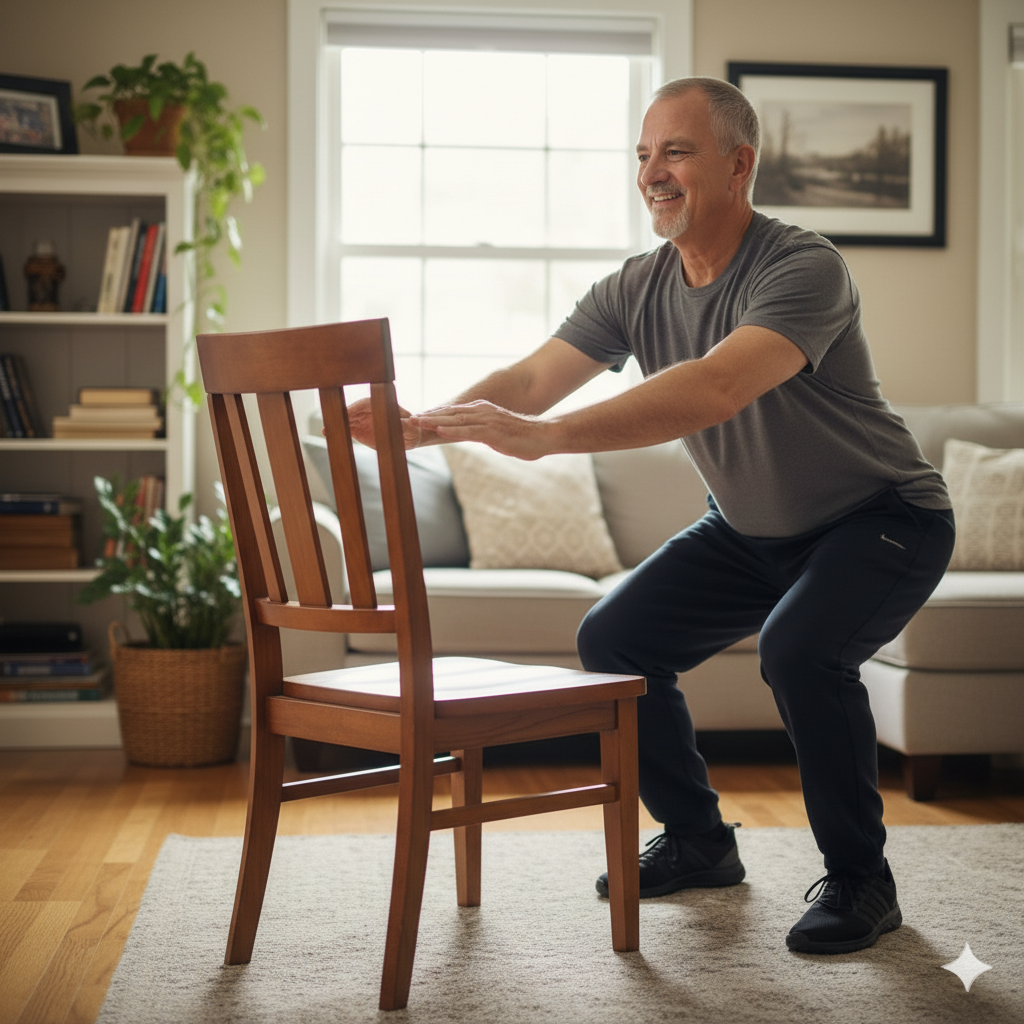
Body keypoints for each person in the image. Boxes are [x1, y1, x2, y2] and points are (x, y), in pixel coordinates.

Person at [350, 76, 955, 954]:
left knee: (800, 649)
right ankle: (703, 842)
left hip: (882, 518)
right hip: (751, 532)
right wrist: (429, 424)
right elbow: (528, 382)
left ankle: (863, 879)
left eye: (675, 151)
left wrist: (548, 438)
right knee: (615, 640)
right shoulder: (636, 287)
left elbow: (716, 388)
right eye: (643, 155)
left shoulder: (802, 267)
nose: (653, 174)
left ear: (739, 164)